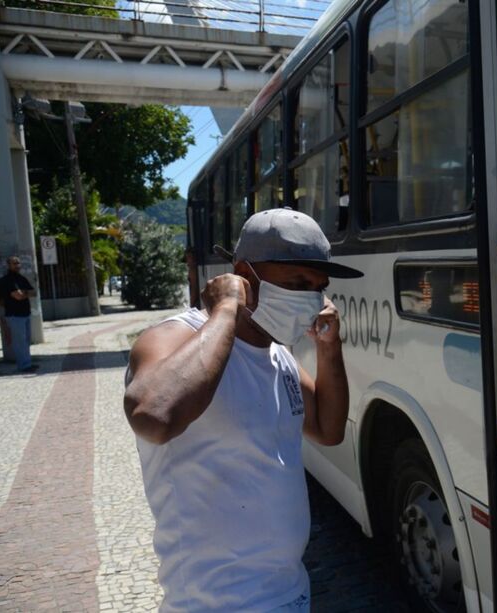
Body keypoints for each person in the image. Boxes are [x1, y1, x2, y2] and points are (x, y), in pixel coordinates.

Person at [123, 208, 362, 612]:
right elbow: (154, 415)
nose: (312, 298)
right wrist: (226, 310)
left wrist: (328, 347)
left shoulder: (277, 355)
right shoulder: (176, 335)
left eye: (319, 287)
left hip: (289, 593)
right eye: (298, 283)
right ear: (243, 275)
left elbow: (327, 427)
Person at [0, 256, 38, 372]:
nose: (17, 265)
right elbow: (18, 296)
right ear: (9, 265)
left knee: (26, 341)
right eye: (14, 263)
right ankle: (23, 366)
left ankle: (27, 363)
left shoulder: (21, 278)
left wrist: (23, 293)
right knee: (19, 342)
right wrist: (24, 294)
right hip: (14, 314)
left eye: (18, 263)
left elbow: (34, 292)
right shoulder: (7, 280)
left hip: (25, 313)